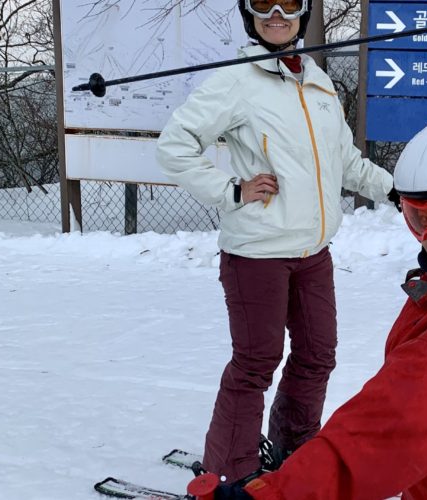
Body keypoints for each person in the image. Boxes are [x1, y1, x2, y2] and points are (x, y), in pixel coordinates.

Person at [194, 1, 427, 497]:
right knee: (257, 361)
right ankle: (233, 462)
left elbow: (368, 447)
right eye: (418, 219)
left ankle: (284, 456)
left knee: (315, 356)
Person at [155, 0, 396, 484]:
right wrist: (231, 190)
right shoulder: (236, 80)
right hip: (257, 252)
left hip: (312, 251)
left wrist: (399, 190)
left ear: (304, 14)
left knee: (317, 354)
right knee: (255, 363)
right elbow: (174, 145)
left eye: (290, 3)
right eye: (264, 4)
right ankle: (230, 475)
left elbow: (344, 160)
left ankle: (294, 452)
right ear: (249, 13)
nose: (278, 13)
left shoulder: (319, 81)